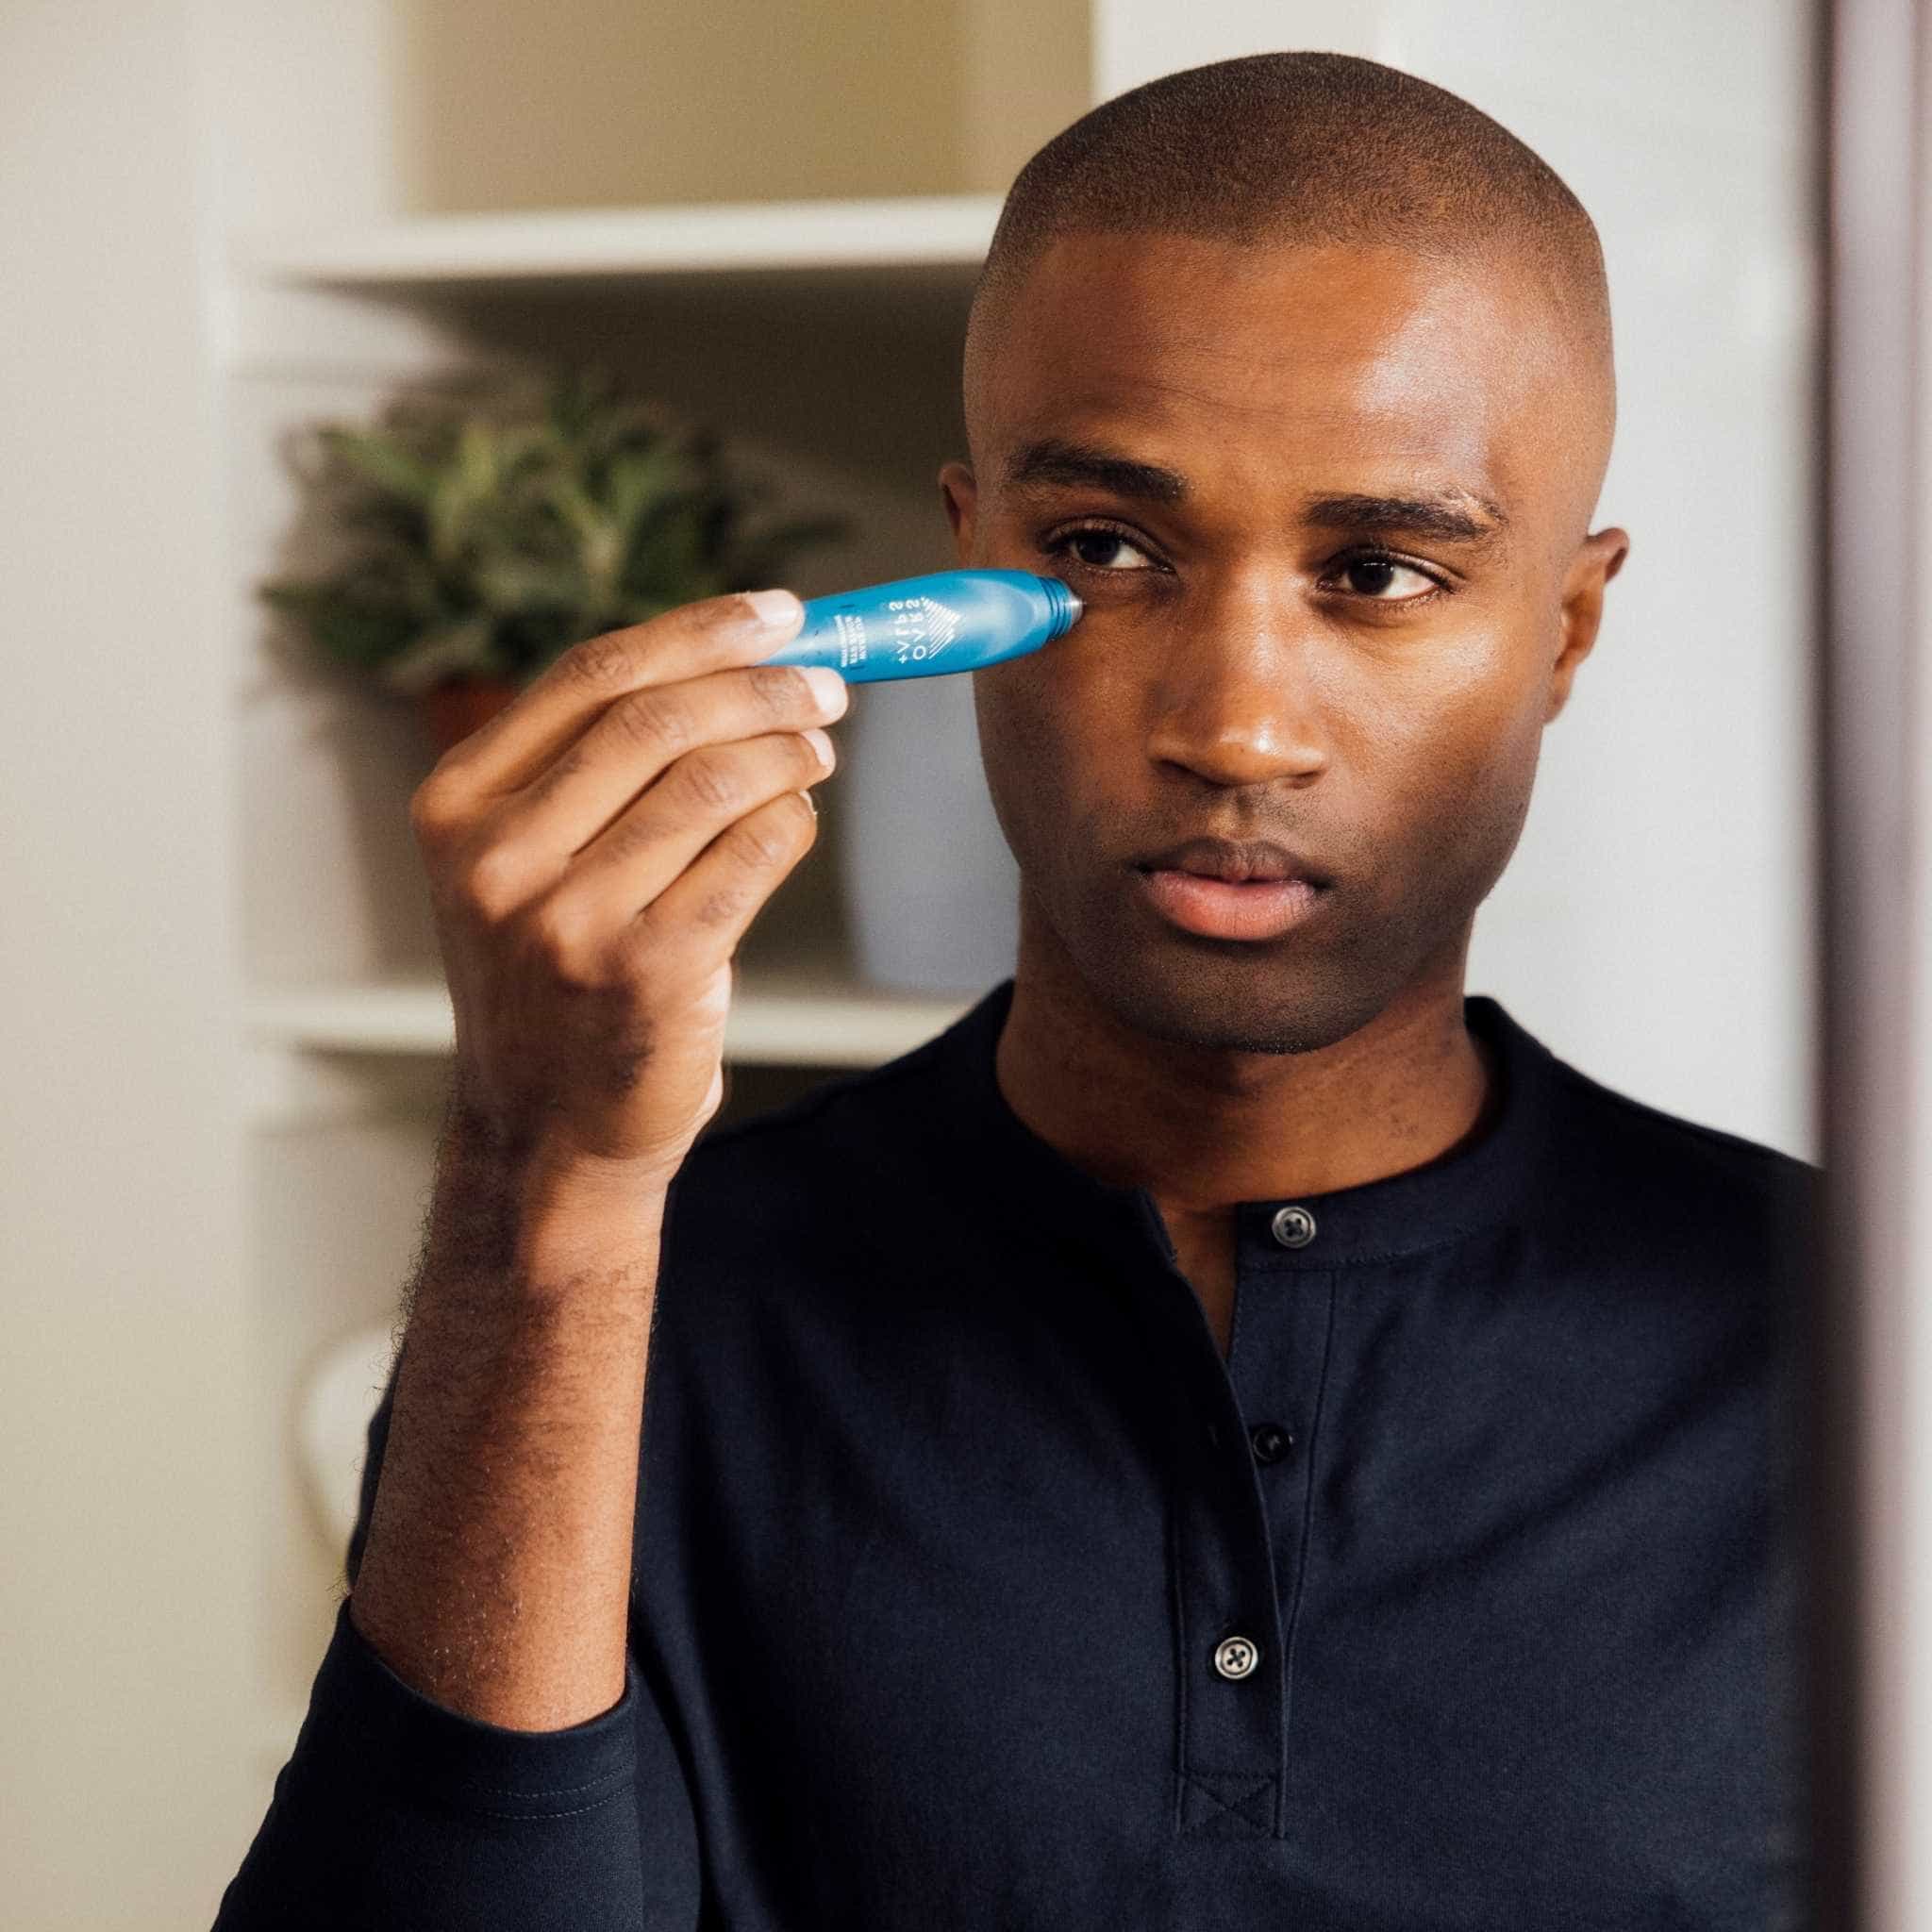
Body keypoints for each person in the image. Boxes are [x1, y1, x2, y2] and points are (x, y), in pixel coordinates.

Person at [213, 50, 1818, 1931]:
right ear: (969, 552)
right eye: (1105, 551)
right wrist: (537, 1182)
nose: (1232, 722)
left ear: (1563, 626)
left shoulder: (1843, 1348)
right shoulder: (617, 1311)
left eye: (1376, 571)